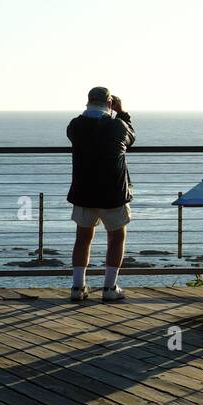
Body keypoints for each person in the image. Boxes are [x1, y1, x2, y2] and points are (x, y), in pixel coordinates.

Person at [66, 86, 135, 302]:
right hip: (113, 193)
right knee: (116, 238)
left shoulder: (75, 126)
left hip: (84, 191)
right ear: (109, 103)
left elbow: (79, 130)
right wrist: (121, 112)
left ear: (87, 101)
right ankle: (109, 287)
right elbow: (131, 137)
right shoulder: (118, 126)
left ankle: (78, 287)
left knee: (82, 238)